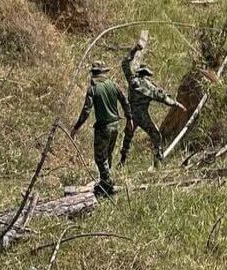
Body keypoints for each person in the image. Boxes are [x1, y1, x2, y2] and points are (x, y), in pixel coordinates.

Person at [70, 62, 133, 198]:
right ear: (104, 72)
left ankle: (108, 186)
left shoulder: (93, 88)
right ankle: (105, 183)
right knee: (108, 155)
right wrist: (129, 118)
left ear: (93, 73)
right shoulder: (113, 85)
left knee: (100, 158)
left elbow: (86, 110)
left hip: (103, 127)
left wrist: (76, 127)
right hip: (115, 126)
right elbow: (125, 100)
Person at [122, 62, 184, 166]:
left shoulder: (132, 80)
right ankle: (157, 161)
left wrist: (134, 51)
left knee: (128, 137)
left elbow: (125, 65)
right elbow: (162, 97)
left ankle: (122, 161)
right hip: (142, 115)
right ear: (146, 74)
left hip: (131, 114)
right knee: (156, 136)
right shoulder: (147, 85)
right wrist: (177, 104)